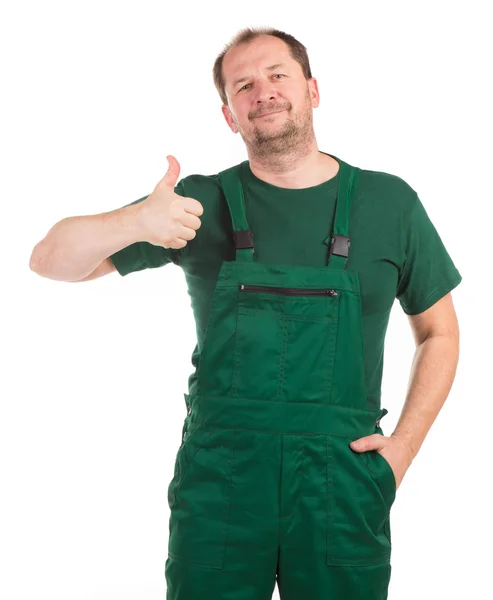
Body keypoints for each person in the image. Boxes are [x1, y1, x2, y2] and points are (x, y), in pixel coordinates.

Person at [29, 26, 462, 600]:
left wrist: (404, 446)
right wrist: (134, 222)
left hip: (342, 480)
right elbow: (49, 260)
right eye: (244, 85)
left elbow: (439, 332)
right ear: (230, 115)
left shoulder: (392, 203)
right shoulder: (196, 203)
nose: (264, 91)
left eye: (278, 75)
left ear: (312, 89)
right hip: (222, 483)